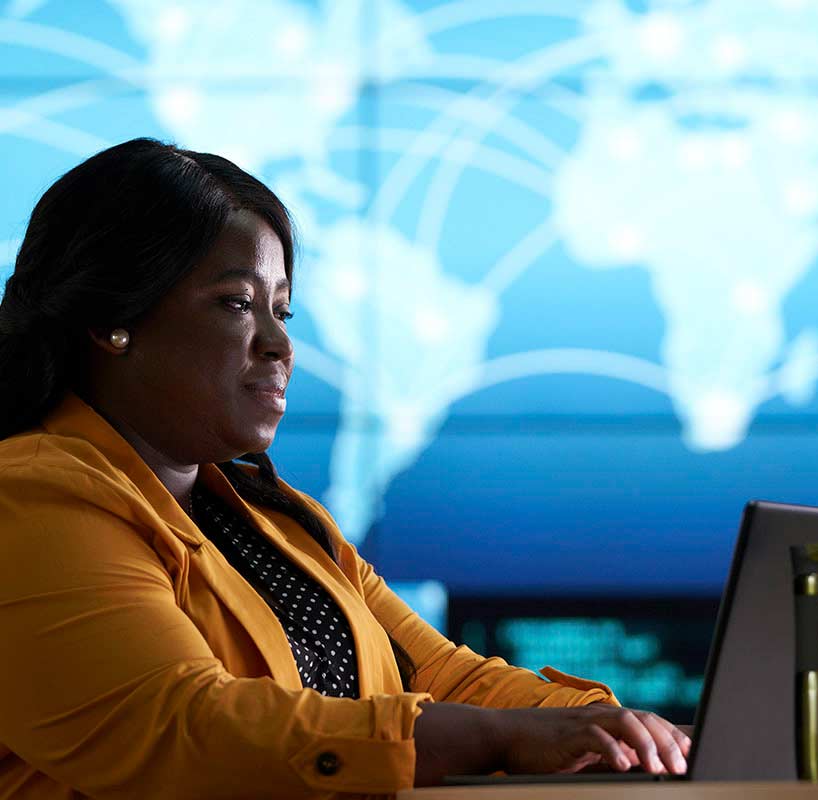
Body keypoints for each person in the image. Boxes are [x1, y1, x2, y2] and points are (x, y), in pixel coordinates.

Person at [0, 138, 690, 800]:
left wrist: (634, 734)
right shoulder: (30, 497)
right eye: (237, 304)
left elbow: (448, 678)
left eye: (282, 311)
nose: (279, 345)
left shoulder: (274, 520)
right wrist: (499, 738)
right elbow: (186, 729)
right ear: (110, 319)